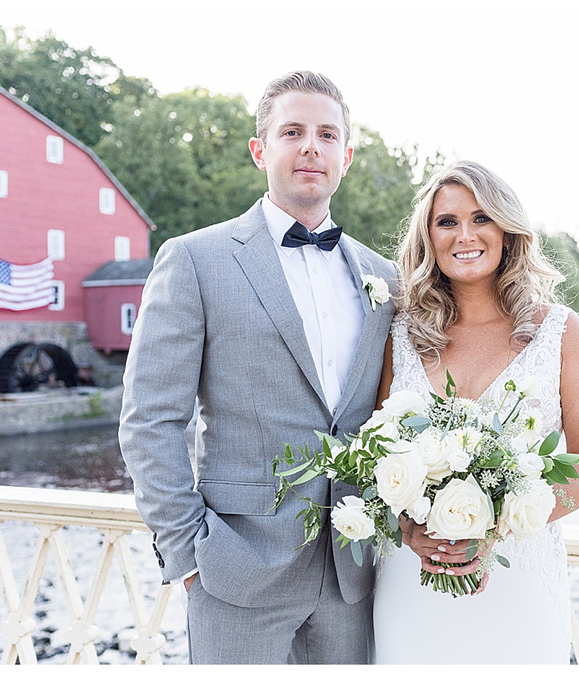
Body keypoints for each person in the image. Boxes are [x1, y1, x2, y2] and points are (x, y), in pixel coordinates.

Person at [118, 71, 397, 665]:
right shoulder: (195, 260)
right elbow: (150, 420)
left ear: (345, 156)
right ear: (259, 150)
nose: (309, 147)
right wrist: (187, 553)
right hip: (236, 572)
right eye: (291, 131)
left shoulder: (385, 279)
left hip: (354, 574)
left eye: (326, 134)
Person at [372, 161, 579, 664]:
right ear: (428, 237)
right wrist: (405, 524)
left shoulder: (562, 334)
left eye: (482, 218)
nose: (466, 234)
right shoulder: (400, 334)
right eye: (447, 221)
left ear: (507, 231)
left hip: (518, 585)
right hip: (414, 580)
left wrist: (494, 526)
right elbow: (378, 453)